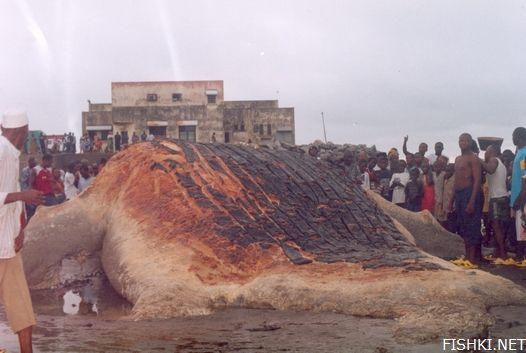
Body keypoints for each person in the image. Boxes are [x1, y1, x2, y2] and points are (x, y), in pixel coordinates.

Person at [0, 110, 43, 353]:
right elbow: (15, 196)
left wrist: (20, 229)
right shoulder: (1, 150)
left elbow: (15, 202)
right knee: (20, 305)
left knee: (21, 307)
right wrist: (22, 196)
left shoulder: (12, 155)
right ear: (24, 131)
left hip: (8, 244)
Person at [454, 133, 483, 265]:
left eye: (465, 141)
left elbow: (477, 180)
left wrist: (472, 201)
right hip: (460, 195)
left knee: (472, 226)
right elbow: (456, 180)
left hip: (471, 193)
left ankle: (472, 258)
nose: (463, 143)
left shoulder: (474, 158)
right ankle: (466, 256)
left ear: (470, 143)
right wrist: (451, 201)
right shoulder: (458, 159)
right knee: (463, 226)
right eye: (461, 140)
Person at [482, 145, 510, 259]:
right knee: (500, 227)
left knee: (496, 226)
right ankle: (499, 251)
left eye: (486, 152)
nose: (485, 155)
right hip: (503, 197)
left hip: (496, 198)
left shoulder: (493, 161)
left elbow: (490, 169)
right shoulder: (502, 164)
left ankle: (502, 253)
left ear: (492, 152)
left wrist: (478, 160)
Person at [510, 127, 526, 263]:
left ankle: (522, 256)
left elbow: (525, 177)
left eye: (513, 135)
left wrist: (520, 198)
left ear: (519, 136)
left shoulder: (524, 154)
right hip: (518, 197)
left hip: (522, 198)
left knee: (523, 229)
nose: (512, 138)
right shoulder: (519, 153)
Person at [441, 163, 457, 232]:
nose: (446, 172)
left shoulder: (455, 180)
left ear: (453, 171)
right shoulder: (445, 179)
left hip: (452, 208)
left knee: (452, 227)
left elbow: (455, 194)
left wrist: (453, 205)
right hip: (445, 207)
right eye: (446, 170)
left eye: (449, 171)